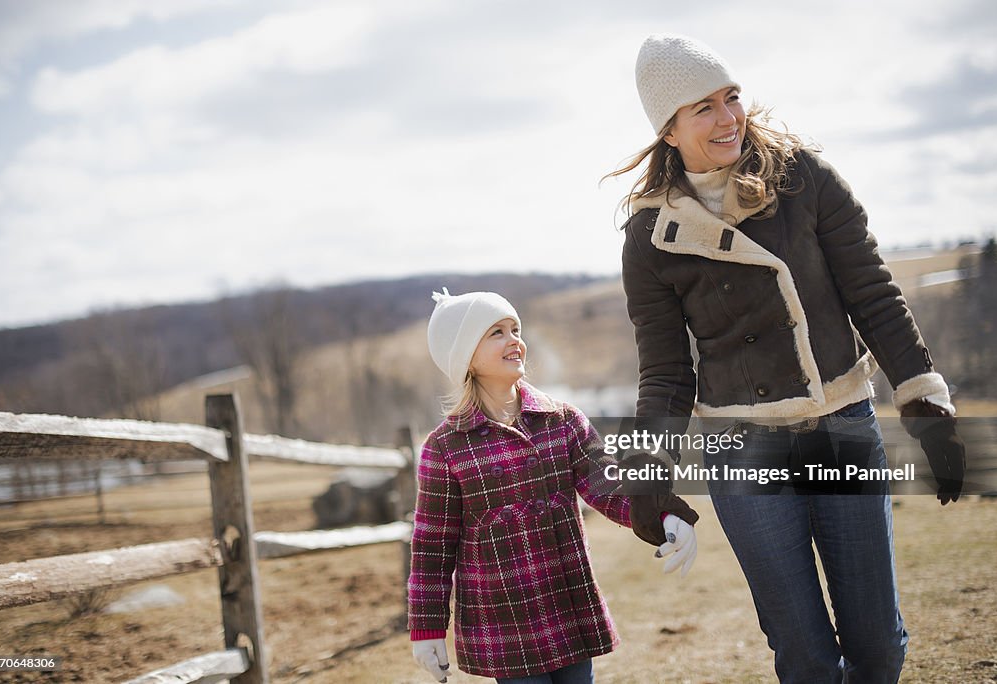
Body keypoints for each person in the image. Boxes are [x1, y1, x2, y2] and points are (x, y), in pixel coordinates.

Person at [610, 33, 966, 684]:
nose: (728, 119)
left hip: (842, 424)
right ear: (669, 130)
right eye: (704, 109)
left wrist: (922, 395)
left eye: (732, 97)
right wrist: (649, 468)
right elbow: (664, 371)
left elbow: (872, 294)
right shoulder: (651, 235)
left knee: (878, 648)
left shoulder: (805, 180)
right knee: (803, 656)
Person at [407, 288, 699, 684]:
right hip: (504, 624)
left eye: (515, 329)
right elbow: (432, 546)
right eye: (496, 332)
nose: (515, 340)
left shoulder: (562, 420)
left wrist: (662, 513)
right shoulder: (445, 447)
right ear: (465, 357)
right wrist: (427, 628)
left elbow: (607, 486)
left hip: (567, 606)